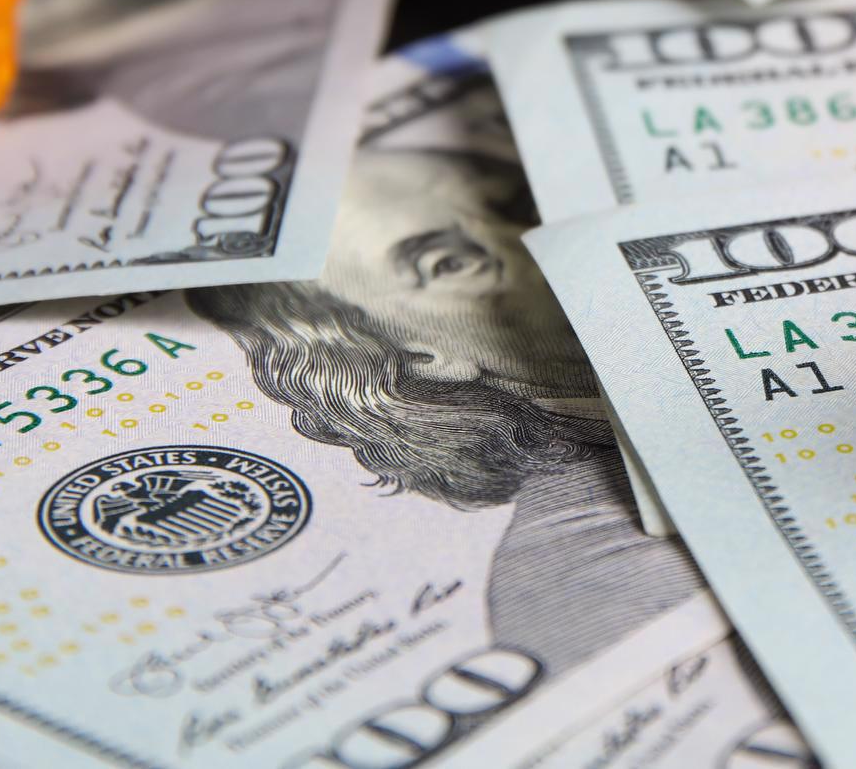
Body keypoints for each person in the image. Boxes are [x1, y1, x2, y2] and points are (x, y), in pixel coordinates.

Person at [188, 138, 700, 678]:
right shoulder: (580, 559)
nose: (540, 247)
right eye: (451, 262)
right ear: (416, 353)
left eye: (521, 208)